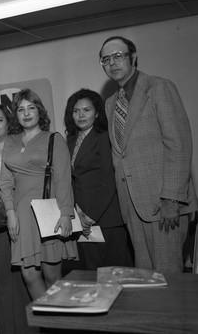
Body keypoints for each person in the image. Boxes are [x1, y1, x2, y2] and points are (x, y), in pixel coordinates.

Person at [99, 36, 196, 273]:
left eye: (118, 56)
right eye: (106, 59)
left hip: (164, 206)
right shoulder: (111, 102)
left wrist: (172, 199)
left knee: (168, 280)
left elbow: (179, 144)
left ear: (133, 57)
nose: (112, 63)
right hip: (133, 208)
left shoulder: (159, 88)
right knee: (146, 280)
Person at [0, 89, 77, 300]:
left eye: (31, 108)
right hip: (21, 216)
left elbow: (63, 179)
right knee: (29, 275)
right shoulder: (10, 141)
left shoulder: (53, 139)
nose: (26, 113)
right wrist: (10, 213)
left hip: (48, 214)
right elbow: (5, 182)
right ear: (15, 114)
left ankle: (61, 322)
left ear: (39, 111)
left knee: (53, 275)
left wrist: (66, 214)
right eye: (21, 109)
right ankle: (46, 321)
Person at [0, 105, 36, 334]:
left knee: (27, 277)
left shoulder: (22, 145)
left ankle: (30, 329)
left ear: (7, 122)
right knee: (0, 281)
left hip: (25, 218)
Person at [63, 89, 132, 270]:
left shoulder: (104, 136)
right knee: (91, 275)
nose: (81, 115)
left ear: (97, 112)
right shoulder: (71, 139)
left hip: (106, 217)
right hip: (81, 217)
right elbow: (71, 179)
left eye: (87, 110)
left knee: (114, 275)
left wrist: (91, 216)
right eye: (76, 111)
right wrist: (77, 211)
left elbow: (109, 180)